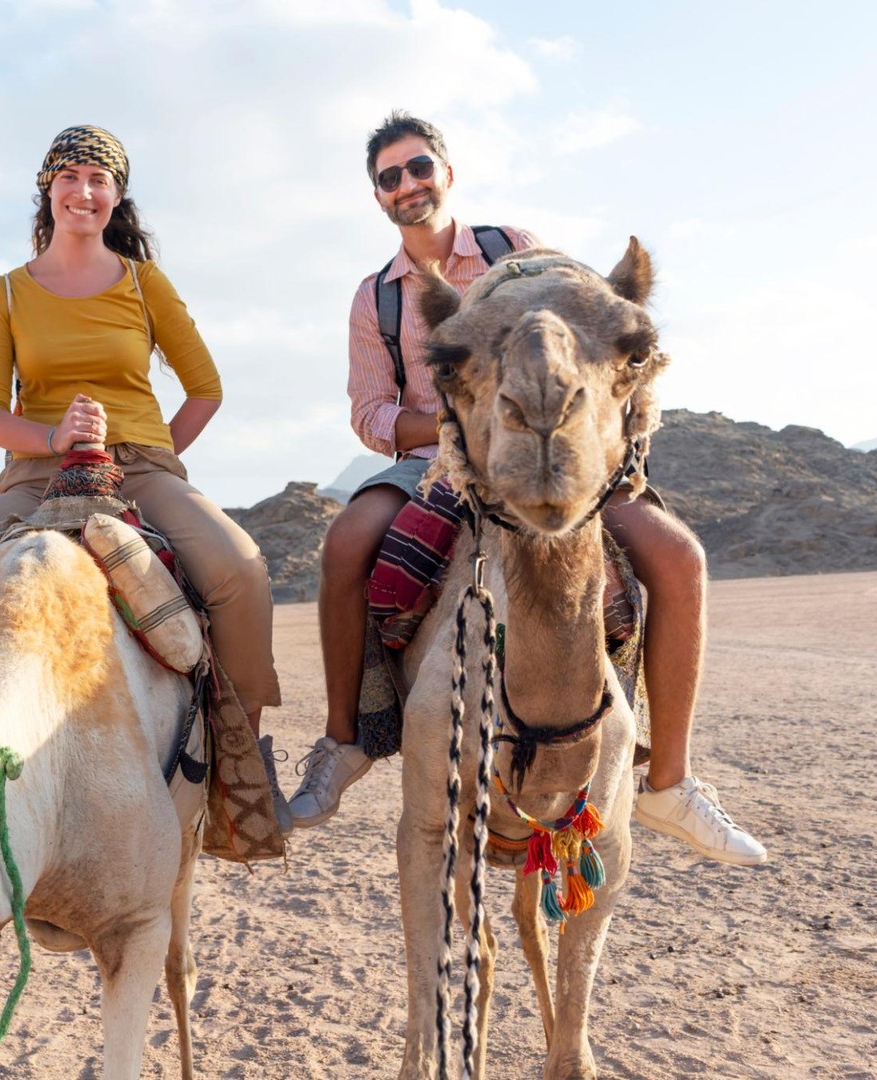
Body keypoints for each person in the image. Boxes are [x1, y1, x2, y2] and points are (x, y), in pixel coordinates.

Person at [288, 110, 766, 868]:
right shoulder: (377, 298)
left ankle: (668, 780)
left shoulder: (521, 252)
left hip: (550, 445)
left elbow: (595, 337)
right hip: (440, 454)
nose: (407, 186)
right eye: (390, 178)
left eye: (419, 169)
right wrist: (455, 421)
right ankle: (344, 743)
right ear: (377, 196)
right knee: (347, 541)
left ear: (446, 173)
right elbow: (371, 411)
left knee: (678, 560)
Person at [0, 124, 293, 837]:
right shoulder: (3, 293)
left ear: (117, 196)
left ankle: (241, 765)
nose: (84, 191)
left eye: (100, 180)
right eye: (71, 175)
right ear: (48, 187)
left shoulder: (143, 283)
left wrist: (149, 456)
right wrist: (53, 438)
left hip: (139, 471)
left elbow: (205, 388)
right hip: (38, 475)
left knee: (242, 570)